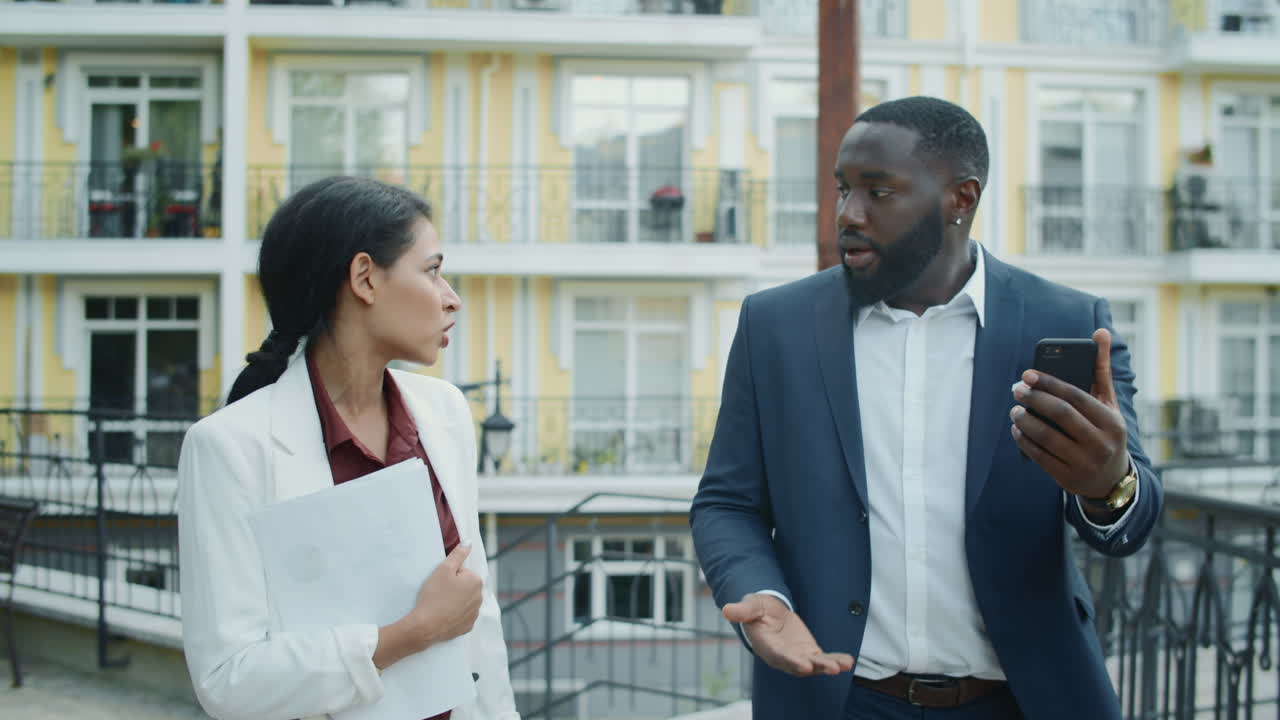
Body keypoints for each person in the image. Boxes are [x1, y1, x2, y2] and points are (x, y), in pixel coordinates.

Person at [690, 96, 1162, 720]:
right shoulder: (774, 325)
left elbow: (1132, 520)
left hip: (1022, 701)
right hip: (836, 699)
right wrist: (762, 595)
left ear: (960, 199)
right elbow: (727, 501)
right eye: (841, 189)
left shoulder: (1068, 323)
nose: (848, 214)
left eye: (878, 192)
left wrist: (1110, 485)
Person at [178, 176, 519, 720]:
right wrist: (409, 634)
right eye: (431, 271)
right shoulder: (228, 447)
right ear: (364, 277)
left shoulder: (445, 411)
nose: (451, 297)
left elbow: (481, 618)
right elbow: (228, 680)